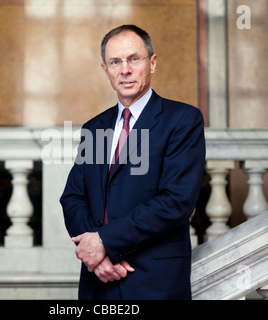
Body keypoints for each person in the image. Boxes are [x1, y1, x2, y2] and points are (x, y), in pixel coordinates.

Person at [60, 25, 206, 300]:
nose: (124, 69)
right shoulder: (95, 128)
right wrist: (97, 257)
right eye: (115, 62)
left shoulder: (182, 120)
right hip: (98, 282)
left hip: (153, 281)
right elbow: (72, 197)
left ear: (152, 63)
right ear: (106, 70)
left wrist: (104, 241)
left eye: (133, 59)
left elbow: (176, 201)